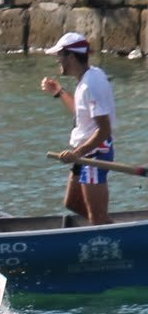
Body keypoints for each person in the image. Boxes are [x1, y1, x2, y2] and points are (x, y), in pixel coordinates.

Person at [42, 31, 116, 225]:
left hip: (94, 154)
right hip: (83, 153)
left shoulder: (91, 84)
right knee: (73, 203)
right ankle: (103, 224)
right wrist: (59, 92)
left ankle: (106, 229)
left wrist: (78, 153)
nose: (58, 60)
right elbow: (81, 113)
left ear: (71, 56)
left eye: (60, 56)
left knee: (97, 218)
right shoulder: (88, 78)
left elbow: (104, 130)